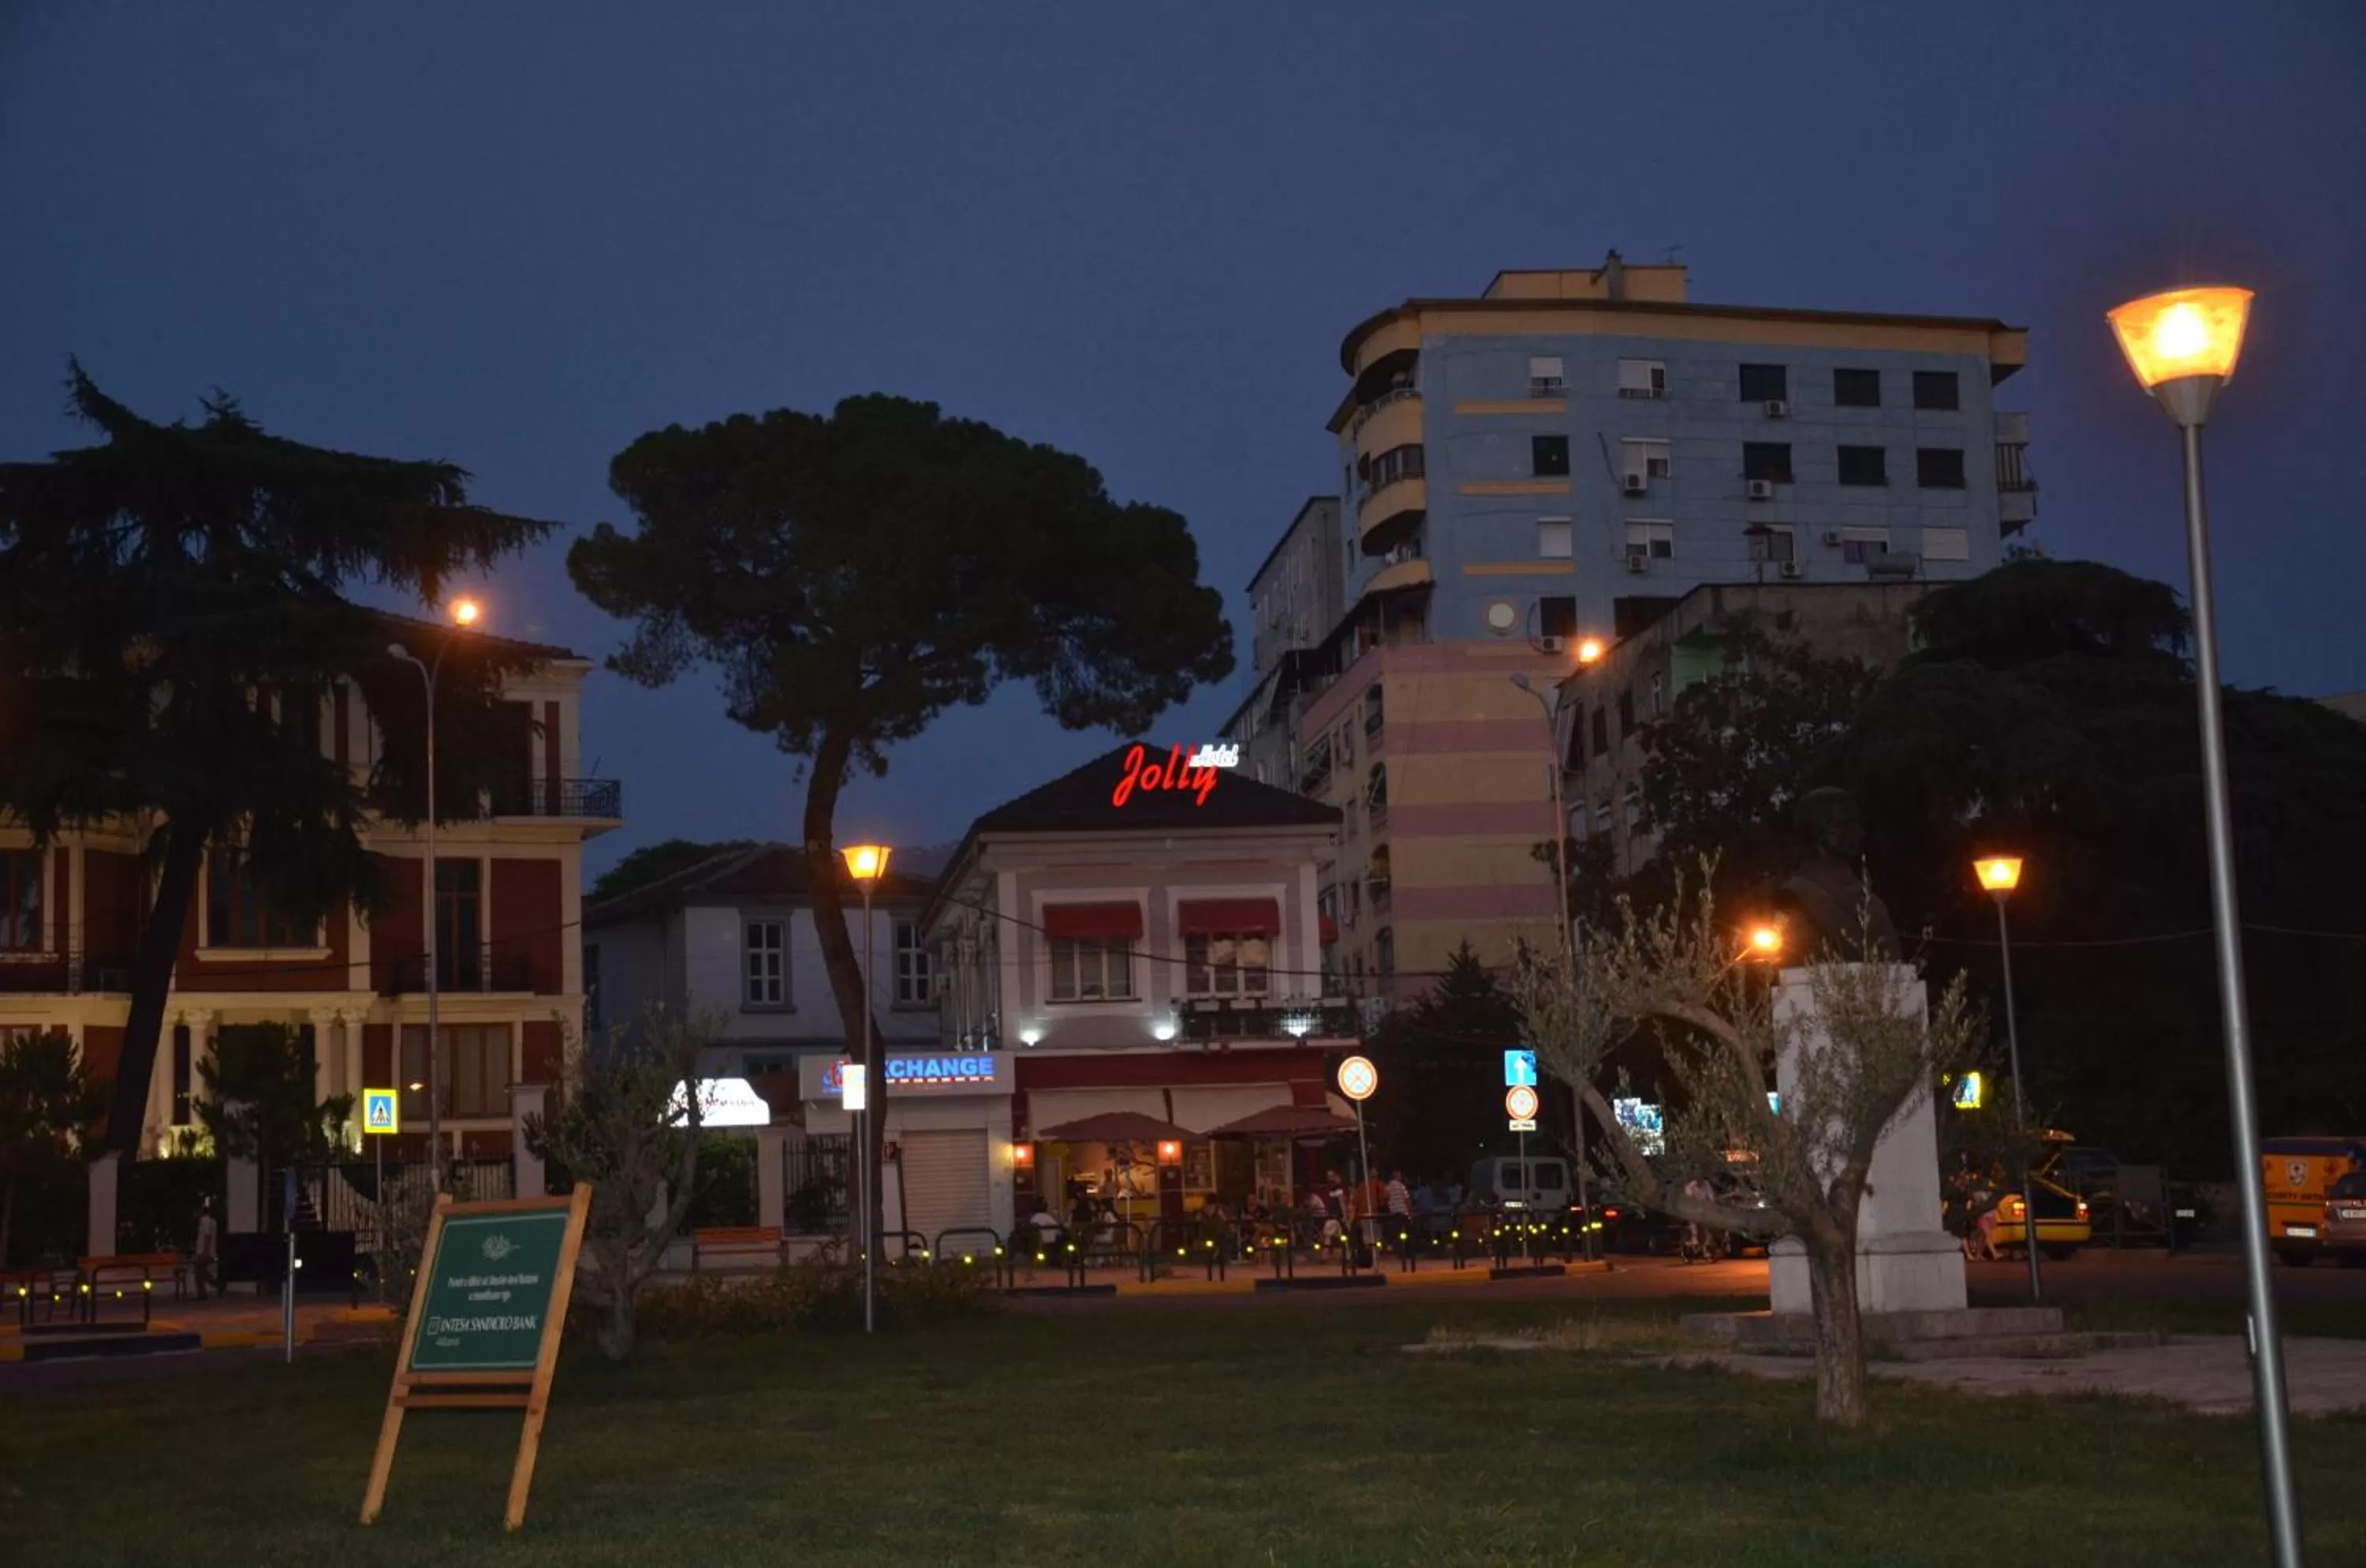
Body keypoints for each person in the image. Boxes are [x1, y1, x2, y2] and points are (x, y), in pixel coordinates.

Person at [192, 1197, 219, 1301]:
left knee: (199, 1272)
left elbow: (207, 1236)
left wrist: (205, 1251)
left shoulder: (205, 1221)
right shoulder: (213, 1222)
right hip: (209, 1251)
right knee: (201, 1272)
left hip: (204, 1252)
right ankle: (216, 1284)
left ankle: (203, 1293)